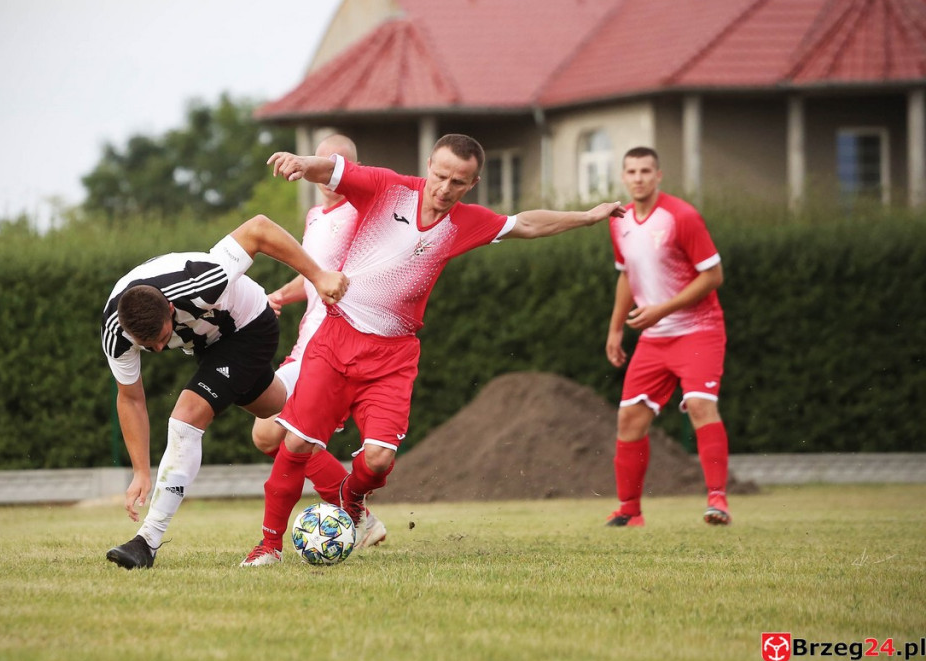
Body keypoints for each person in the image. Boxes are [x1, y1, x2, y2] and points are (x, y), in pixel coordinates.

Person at [240, 133, 625, 566]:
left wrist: (589, 216)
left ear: (473, 183)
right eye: (440, 176)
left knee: (380, 459)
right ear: (428, 165)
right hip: (335, 339)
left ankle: (351, 496)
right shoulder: (388, 188)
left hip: (393, 356)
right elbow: (333, 169)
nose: (445, 188)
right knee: (295, 443)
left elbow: (527, 224)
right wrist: (300, 161)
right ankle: (269, 546)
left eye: (458, 182)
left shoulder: (466, 222)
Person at [102, 214, 348, 569]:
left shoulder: (204, 279)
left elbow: (259, 228)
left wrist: (319, 277)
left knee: (186, 417)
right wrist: (141, 470)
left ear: (171, 309)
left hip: (251, 325)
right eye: (147, 345)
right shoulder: (116, 332)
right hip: (211, 344)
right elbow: (130, 398)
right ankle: (330, 398)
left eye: (160, 339)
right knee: (277, 414)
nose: (157, 351)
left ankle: (148, 540)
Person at [251, 133, 387, 549]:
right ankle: (355, 513)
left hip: (335, 346)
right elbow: (315, 272)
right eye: (323, 162)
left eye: (341, 163)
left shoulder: (364, 211)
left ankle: (349, 512)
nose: (330, 171)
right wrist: (279, 295)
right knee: (265, 434)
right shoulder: (315, 216)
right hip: (305, 341)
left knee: (280, 432)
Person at [603, 146, 731, 527]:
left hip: (699, 330)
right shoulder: (619, 220)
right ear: (624, 177)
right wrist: (614, 329)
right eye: (632, 171)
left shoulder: (682, 217)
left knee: (699, 406)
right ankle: (630, 511)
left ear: (659, 176)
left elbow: (713, 276)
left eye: (646, 171)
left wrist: (661, 309)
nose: (639, 177)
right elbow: (627, 274)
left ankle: (717, 501)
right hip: (655, 338)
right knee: (629, 419)